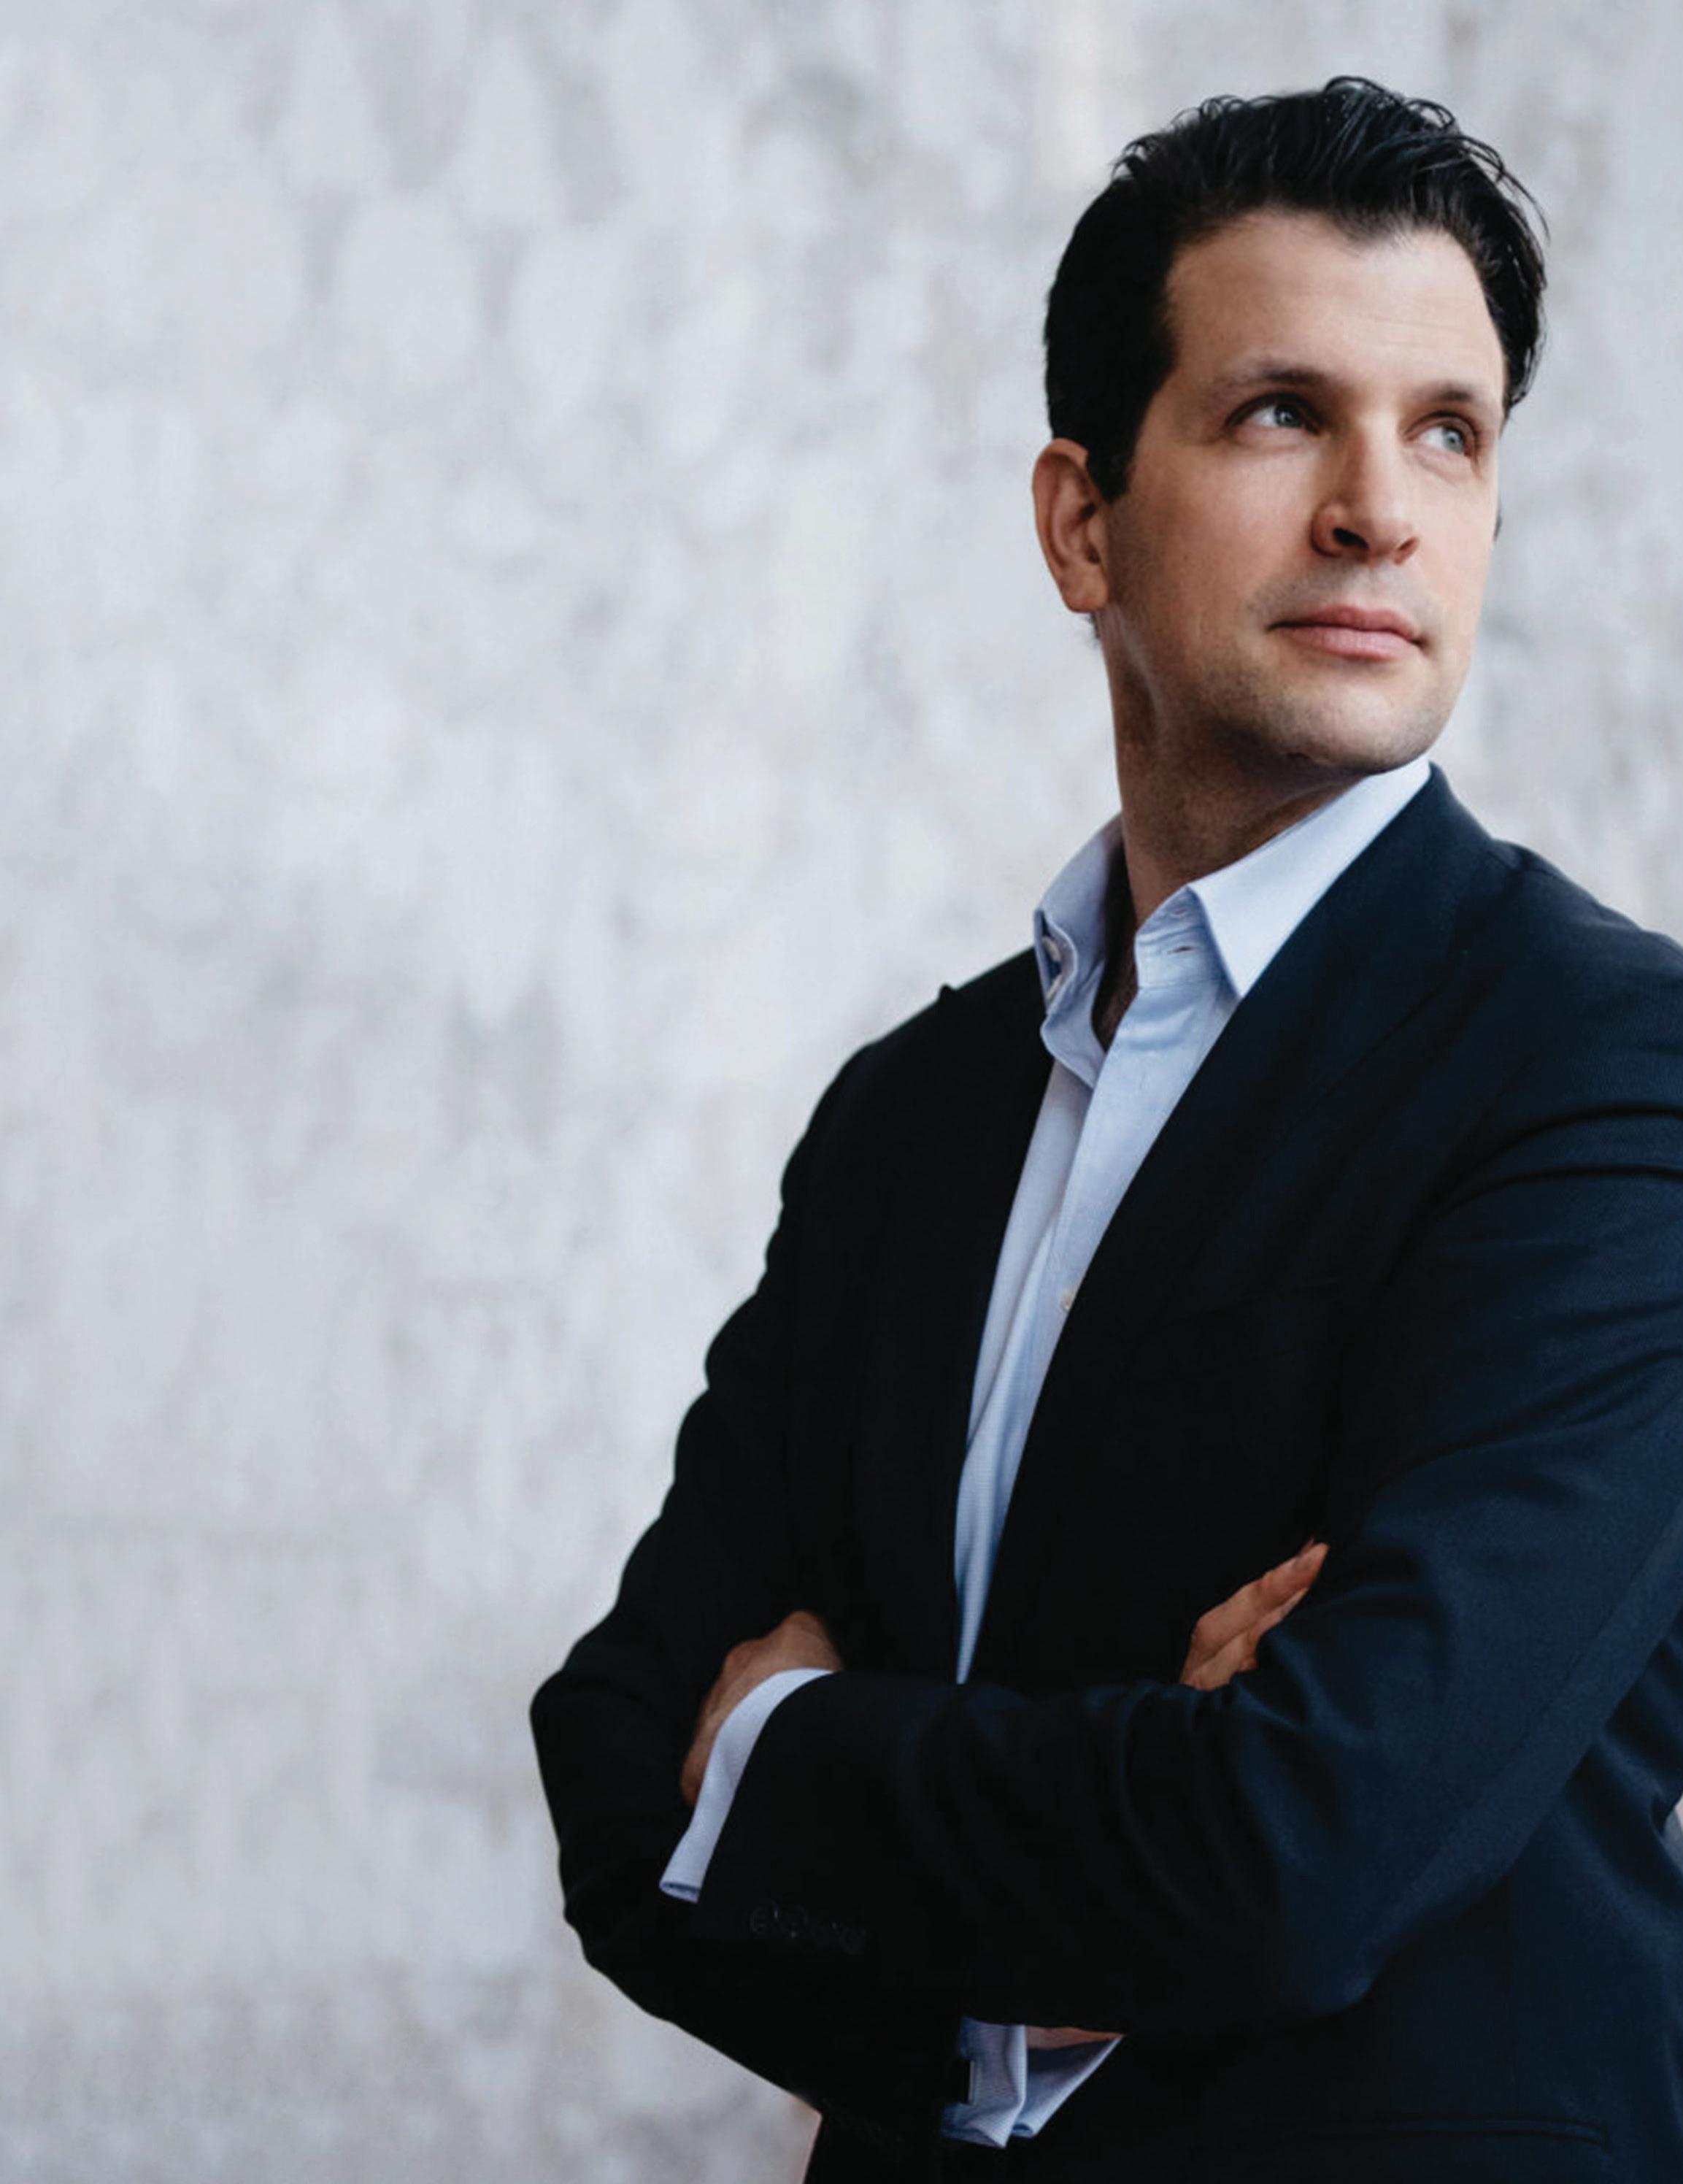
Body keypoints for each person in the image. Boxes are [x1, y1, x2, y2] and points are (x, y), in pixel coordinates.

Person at [531, 77, 1683, 2183]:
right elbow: (613, 1772)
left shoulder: (1612, 1076)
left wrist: (778, 1751)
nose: (1380, 511)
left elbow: (1299, 1848)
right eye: (1280, 414)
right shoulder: (907, 1118)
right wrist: (1053, 1902)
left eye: (1449, 431)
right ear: (1082, 521)